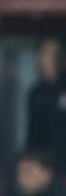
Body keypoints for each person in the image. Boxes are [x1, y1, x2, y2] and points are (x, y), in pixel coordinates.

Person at [26, 37, 65, 177]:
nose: (48, 58)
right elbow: (33, 134)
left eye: (53, 53)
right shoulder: (36, 93)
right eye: (44, 53)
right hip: (42, 170)